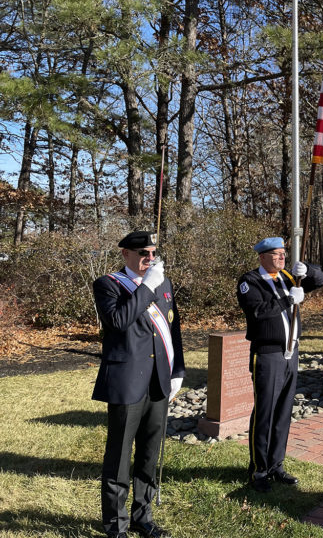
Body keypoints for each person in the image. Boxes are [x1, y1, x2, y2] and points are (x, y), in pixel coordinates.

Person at [92, 230, 185, 538]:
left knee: (148, 454)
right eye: (143, 253)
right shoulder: (108, 284)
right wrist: (146, 287)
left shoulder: (163, 282)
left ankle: (141, 517)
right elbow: (119, 320)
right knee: (119, 457)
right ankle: (115, 527)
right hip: (127, 381)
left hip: (158, 381)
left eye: (153, 253)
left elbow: (173, 329)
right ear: (126, 255)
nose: (150, 258)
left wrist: (178, 371)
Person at [237, 237, 323, 492]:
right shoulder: (250, 281)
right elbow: (257, 311)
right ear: (262, 257)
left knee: (283, 413)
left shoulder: (288, 276)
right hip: (268, 354)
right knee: (265, 413)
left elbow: (319, 281)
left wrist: (307, 269)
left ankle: (277, 465)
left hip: (290, 354)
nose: (281, 258)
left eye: (283, 254)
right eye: (275, 255)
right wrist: (288, 300)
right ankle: (259, 470)